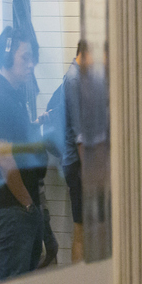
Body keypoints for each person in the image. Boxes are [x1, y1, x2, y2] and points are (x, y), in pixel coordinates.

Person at [0, 26, 50, 280]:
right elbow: (4, 159)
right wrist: (28, 205)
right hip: (14, 210)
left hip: (23, 208)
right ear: (8, 58)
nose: (31, 64)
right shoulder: (0, 100)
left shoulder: (13, 98)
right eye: (26, 57)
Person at [57, 41, 86, 262]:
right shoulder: (74, 79)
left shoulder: (78, 77)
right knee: (81, 229)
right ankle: (80, 283)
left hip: (77, 161)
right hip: (78, 163)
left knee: (85, 227)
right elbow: (80, 134)